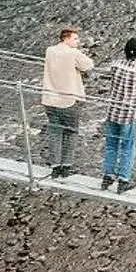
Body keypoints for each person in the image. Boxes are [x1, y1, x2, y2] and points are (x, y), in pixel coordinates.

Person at [100, 37, 136, 194]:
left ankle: (107, 176)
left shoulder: (115, 64)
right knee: (128, 147)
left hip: (113, 112)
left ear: (124, 51)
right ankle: (123, 180)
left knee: (111, 145)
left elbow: (103, 74)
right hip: (130, 115)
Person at [41, 26, 94, 178]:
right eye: (75, 38)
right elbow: (88, 65)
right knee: (71, 132)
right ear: (66, 38)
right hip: (69, 100)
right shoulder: (72, 53)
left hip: (50, 99)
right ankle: (66, 167)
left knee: (55, 133)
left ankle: (55, 166)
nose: (78, 41)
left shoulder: (49, 51)